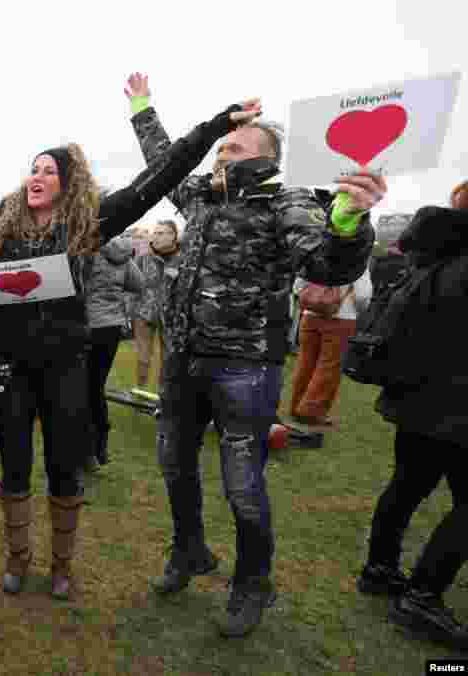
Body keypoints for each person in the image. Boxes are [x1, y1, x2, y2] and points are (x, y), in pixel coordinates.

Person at [0, 82, 263, 601]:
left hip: (65, 367)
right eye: (33, 168)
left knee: (62, 465)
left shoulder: (88, 223)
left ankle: (60, 566)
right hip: (9, 365)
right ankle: (17, 559)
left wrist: (216, 126)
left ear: (68, 182)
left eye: (49, 170)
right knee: (13, 466)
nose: (37, 176)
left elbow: (157, 177)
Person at [126, 72, 384, 636]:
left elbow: (326, 264)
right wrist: (143, 107)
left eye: (235, 146)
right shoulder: (200, 196)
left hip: (244, 368)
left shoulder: (285, 203)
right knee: (174, 466)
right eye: (221, 146)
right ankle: (190, 550)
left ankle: (253, 583)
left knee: (243, 486)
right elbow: (165, 160)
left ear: (267, 159)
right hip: (183, 361)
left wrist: (347, 221)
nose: (223, 152)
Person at [358, 180, 468, 652]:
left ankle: (380, 569)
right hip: (456, 402)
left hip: (419, 398)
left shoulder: (429, 255)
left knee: (407, 485)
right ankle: (423, 594)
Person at [84, 232, 142, 468]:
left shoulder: (85, 248)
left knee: (82, 388)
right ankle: (100, 448)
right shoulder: (123, 253)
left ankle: (88, 451)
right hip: (111, 327)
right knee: (96, 387)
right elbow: (138, 283)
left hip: (87, 325)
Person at [289, 268, 372, 426]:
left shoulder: (317, 254)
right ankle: (311, 412)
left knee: (305, 362)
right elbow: (363, 295)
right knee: (329, 366)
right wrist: (358, 310)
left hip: (310, 315)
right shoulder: (357, 260)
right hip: (342, 317)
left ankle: (296, 407)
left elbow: (298, 286)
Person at [134, 220, 180, 388]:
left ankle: (164, 398)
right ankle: (140, 392)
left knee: (168, 359)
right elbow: (131, 285)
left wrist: (179, 278)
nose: (156, 237)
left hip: (171, 316)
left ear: (173, 235)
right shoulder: (143, 257)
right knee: (143, 357)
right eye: (155, 233)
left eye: (161, 233)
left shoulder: (184, 258)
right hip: (143, 313)